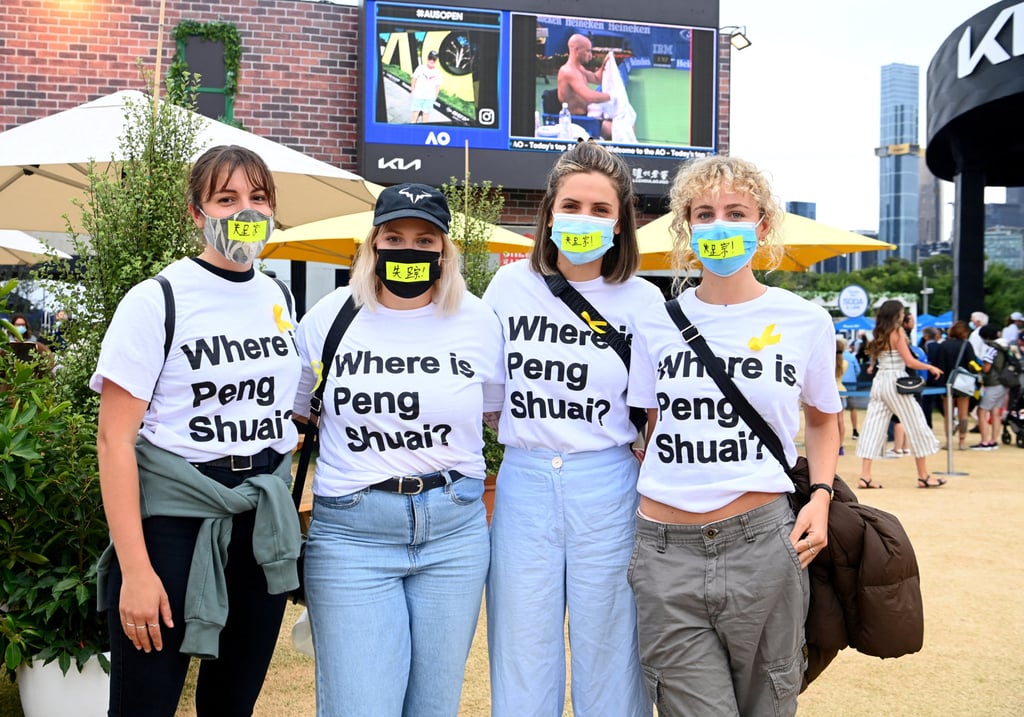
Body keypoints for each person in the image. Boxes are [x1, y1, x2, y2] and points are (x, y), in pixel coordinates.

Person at [626, 155, 842, 716]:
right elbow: (654, 421)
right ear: (686, 227)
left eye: (736, 213)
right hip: (665, 551)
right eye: (704, 214)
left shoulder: (806, 320)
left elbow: (823, 417)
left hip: (763, 546)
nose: (719, 225)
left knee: (769, 704)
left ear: (762, 226)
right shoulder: (655, 322)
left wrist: (821, 497)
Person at [92, 145, 302, 716]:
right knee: (145, 704)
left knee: (232, 704)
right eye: (226, 198)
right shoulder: (157, 299)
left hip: (259, 523)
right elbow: (114, 440)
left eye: (259, 198)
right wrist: (136, 570)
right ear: (196, 212)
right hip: (174, 526)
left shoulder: (279, 295)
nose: (246, 211)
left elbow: (288, 403)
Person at [293, 183, 503, 717]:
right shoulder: (330, 317)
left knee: (433, 706)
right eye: (394, 237)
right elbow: (296, 414)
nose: (409, 249)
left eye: (424, 240)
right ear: (373, 244)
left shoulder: (477, 320)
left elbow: (497, 414)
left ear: (445, 250)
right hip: (352, 535)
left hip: (454, 533)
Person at [484, 140, 660, 716]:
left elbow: (654, 408)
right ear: (549, 212)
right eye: (572, 205)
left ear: (620, 221)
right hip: (524, 480)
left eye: (600, 209)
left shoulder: (643, 300)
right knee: (521, 644)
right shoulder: (509, 287)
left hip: (608, 484)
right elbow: (489, 393)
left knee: (611, 644)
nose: (584, 218)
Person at [856, 300, 943, 489]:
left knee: (873, 426)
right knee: (916, 422)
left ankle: (865, 476)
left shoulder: (878, 332)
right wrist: (930, 367)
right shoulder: (897, 332)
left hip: (880, 381)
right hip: (896, 381)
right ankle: (923, 476)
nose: (904, 316)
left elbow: (876, 358)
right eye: (902, 313)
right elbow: (910, 362)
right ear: (896, 314)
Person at [934, 320, 980, 450]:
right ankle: (962, 441)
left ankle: (949, 441)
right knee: (963, 414)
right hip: (963, 383)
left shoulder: (943, 345)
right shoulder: (966, 345)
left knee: (948, 415)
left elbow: (939, 364)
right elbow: (972, 363)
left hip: (947, 383)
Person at [557, 34, 612, 139]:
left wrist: (605, 64)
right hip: (579, 122)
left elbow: (596, 78)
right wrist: (613, 96)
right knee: (622, 128)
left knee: (624, 121)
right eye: (588, 51)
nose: (590, 55)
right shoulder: (568, 71)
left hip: (588, 116)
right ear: (577, 50)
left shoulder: (579, 68)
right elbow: (589, 97)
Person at [974, 324, 1008, 450]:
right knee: (995, 412)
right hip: (1004, 382)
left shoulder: (992, 349)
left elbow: (987, 367)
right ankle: (994, 441)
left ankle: (984, 442)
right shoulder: (1005, 346)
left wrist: (979, 368)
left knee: (982, 411)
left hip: (993, 383)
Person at [410, 50, 443, 123]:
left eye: (434, 59)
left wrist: (435, 97)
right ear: (428, 58)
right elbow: (414, 78)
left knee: (426, 114)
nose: (432, 61)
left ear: (436, 61)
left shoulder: (438, 72)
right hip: (418, 95)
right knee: (415, 112)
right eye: (430, 58)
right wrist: (412, 90)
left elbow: (437, 85)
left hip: (429, 97)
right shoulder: (420, 68)